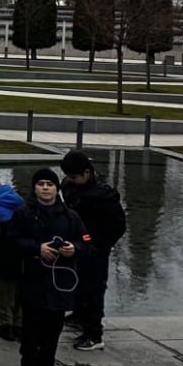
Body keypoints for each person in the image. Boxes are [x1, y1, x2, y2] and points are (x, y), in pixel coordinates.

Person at [4, 167, 90, 366]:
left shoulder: (70, 216)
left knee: (53, 331)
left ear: (56, 188)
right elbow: (11, 242)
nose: (45, 188)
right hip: (33, 280)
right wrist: (36, 248)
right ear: (35, 188)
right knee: (31, 329)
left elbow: (86, 242)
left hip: (60, 282)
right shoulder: (24, 213)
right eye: (41, 184)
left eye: (49, 184)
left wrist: (75, 248)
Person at [60, 150, 126, 352]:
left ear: (87, 173)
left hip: (96, 248)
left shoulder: (103, 196)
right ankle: (79, 315)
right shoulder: (69, 186)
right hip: (77, 244)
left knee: (94, 289)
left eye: (74, 177)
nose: (70, 180)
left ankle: (94, 333)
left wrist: (100, 245)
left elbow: (118, 225)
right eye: (68, 176)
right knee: (78, 284)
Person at [0, 181, 26, 341]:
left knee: (4, 293)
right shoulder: (19, 204)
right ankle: (19, 324)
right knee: (20, 292)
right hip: (21, 257)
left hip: (3, 257)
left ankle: (5, 325)